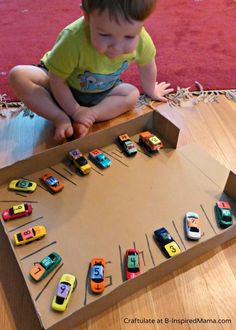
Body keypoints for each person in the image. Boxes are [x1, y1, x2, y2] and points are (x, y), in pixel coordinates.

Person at [8, 0, 173, 142]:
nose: (116, 47)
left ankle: (91, 116)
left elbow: (147, 65)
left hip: (101, 91)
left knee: (132, 94)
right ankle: (60, 117)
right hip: (61, 84)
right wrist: (74, 110)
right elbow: (56, 79)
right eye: (105, 34)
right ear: (87, 17)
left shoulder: (142, 40)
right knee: (19, 75)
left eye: (129, 37)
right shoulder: (72, 38)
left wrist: (151, 90)